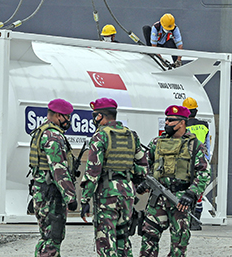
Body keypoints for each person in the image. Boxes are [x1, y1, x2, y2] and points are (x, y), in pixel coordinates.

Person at [138, 105, 211, 257]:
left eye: (171, 120)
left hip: (180, 200)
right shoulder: (156, 143)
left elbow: (204, 173)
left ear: (182, 123)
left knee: (179, 243)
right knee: (148, 239)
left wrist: (191, 193)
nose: (167, 123)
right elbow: (145, 165)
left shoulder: (195, 145)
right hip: (157, 200)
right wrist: (144, 181)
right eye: (166, 119)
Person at [80, 98, 144, 257]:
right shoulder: (131, 135)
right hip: (127, 194)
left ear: (100, 116)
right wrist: (127, 178)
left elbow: (93, 172)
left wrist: (84, 200)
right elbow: (143, 168)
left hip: (107, 194)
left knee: (106, 241)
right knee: (123, 239)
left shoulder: (100, 136)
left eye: (95, 115)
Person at [29, 98, 78, 257]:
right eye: (67, 117)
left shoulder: (42, 130)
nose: (68, 121)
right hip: (51, 195)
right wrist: (70, 196)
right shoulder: (53, 136)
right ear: (58, 116)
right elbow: (59, 170)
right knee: (53, 238)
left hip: (43, 191)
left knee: (46, 237)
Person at [182, 97, 210, 230]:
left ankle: (187, 219)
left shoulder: (183, 126)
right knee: (199, 193)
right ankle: (196, 220)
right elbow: (207, 146)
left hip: (187, 162)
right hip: (202, 161)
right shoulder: (204, 125)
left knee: (186, 190)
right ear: (196, 110)